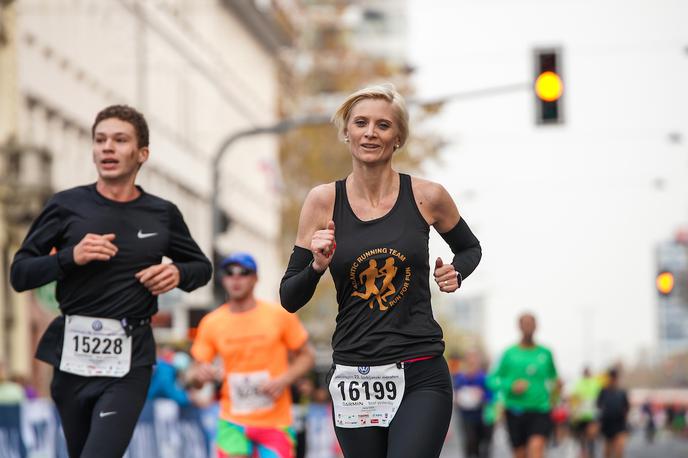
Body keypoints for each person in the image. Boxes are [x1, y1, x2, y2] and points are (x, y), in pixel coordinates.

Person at [279, 83, 482, 458]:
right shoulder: (323, 201)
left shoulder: (427, 196)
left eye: (383, 125)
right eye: (361, 123)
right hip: (355, 374)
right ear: (347, 132)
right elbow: (290, 297)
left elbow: (470, 248)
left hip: (420, 369)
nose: (371, 132)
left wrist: (456, 271)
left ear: (398, 137)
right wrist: (316, 265)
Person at [9, 105, 212, 457]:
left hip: (130, 356)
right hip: (72, 356)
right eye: (100, 140)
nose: (107, 148)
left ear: (142, 154)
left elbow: (201, 267)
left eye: (120, 140)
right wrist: (70, 257)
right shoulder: (66, 205)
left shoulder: (162, 213)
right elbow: (20, 274)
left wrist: (179, 272)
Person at [189, 252, 315, 458]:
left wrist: (284, 380)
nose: (236, 278)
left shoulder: (278, 315)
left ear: (255, 278)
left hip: (275, 422)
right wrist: (198, 375)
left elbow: (307, 356)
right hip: (233, 420)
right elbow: (194, 374)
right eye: (230, 273)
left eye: (244, 273)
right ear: (223, 279)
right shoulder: (212, 322)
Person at [489, 313, 559, 458]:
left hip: (540, 409)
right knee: (519, 454)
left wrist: (556, 396)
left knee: (536, 449)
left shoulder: (545, 353)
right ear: (519, 326)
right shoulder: (509, 353)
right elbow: (492, 380)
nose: (528, 327)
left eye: (531, 324)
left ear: (536, 326)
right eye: (525, 324)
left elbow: (554, 379)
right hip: (515, 410)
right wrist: (510, 385)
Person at [453, 350, 493, 458]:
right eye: (470, 358)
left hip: (482, 417)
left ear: (478, 361)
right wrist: (457, 398)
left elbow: (492, 396)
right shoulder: (460, 377)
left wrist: (482, 395)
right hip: (466, 416)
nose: (472, 361)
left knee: (483, 446)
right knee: (470, 443)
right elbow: (455, 394)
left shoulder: (484, 377)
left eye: (474, 358)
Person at [596, 368, 629, 458]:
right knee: (607, 452)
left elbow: (626, 408)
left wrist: (626, 423)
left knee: (619, 450)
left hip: (619, 424)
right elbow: (598, 406)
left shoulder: (622, 392)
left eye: (614, 378)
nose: (613, 380)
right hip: (607, 425)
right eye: (611, 378)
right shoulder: (603, 391)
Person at [569, 367, 602, 458]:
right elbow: (574, 399)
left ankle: (590, 453)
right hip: (582, 415)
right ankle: (585, 453)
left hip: (591, 415)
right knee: (583, 438)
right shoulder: (580, 384)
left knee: (590, 437)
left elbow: (600, 399)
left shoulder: (595, 383)